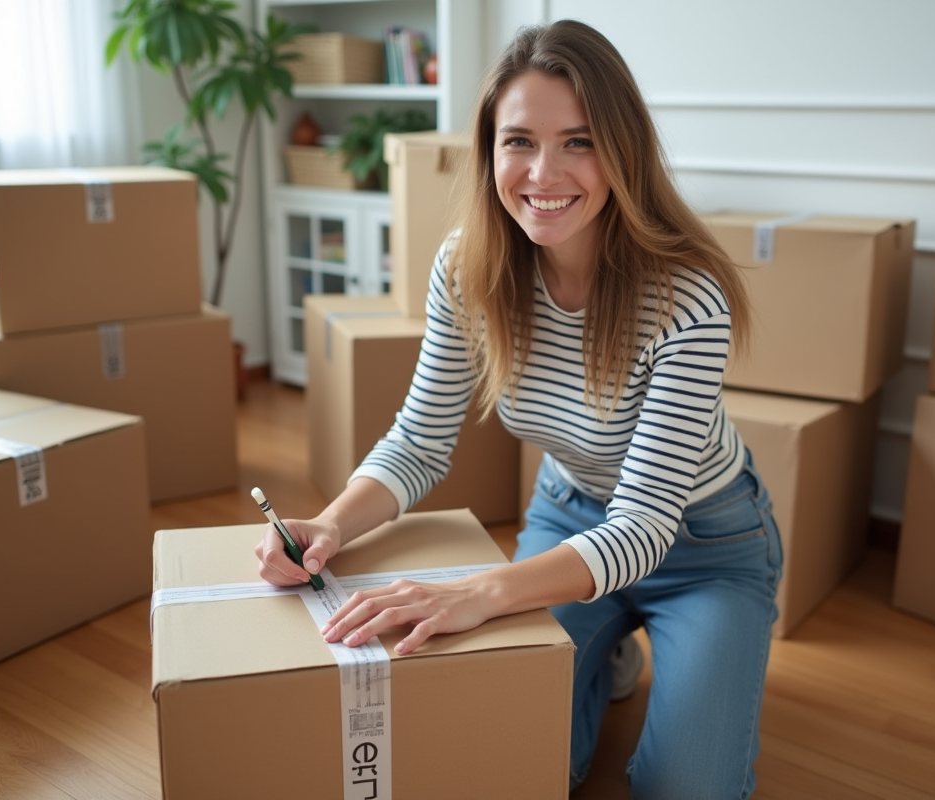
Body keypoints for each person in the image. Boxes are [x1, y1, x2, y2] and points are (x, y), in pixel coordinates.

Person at [256, 19, 783, 800]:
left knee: (687, 787)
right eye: (519, 141)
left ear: (623, 151)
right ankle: (608, 653)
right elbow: (420, 441)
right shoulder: (469, 270)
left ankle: (640, 644)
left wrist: (479, 592)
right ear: (490, 150)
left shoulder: (686, 297)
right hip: (573, 518)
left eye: (579, 141)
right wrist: (330, 526)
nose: (544, 171)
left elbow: (644, 527)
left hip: (705, 547)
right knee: (513, 753)